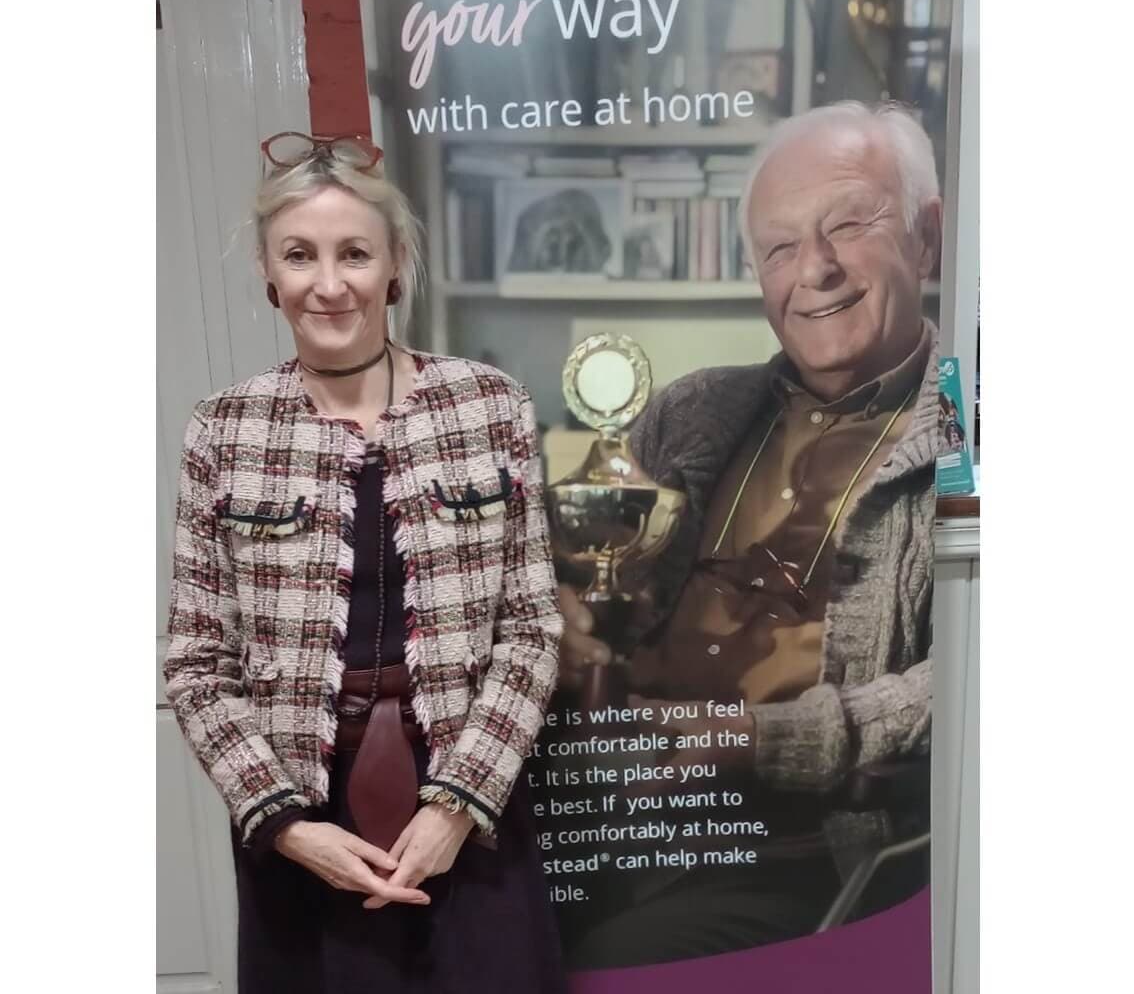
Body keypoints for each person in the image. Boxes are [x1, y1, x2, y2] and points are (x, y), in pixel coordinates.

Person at [163, 132, 566, 993]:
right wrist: (283, 824)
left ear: (395, 267)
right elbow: (196, 664)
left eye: (355, 253)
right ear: (271, 277)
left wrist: (457, 805)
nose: (330, 282)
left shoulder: (488, 405)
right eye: (300, 255)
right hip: (303, 820)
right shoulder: (225, 431)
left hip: (469, 803)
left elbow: (530, 629)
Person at [553, 102, 942, 966]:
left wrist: (752, 742)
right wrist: (564, 617)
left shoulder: (976, 428)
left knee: (600, 958)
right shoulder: (691, 411)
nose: (818, 270)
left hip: (800, 854)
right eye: (780, 248)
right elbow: (590, 578)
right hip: (614, 818)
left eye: (848, 224)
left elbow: (983, 684)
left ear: (926, 237)